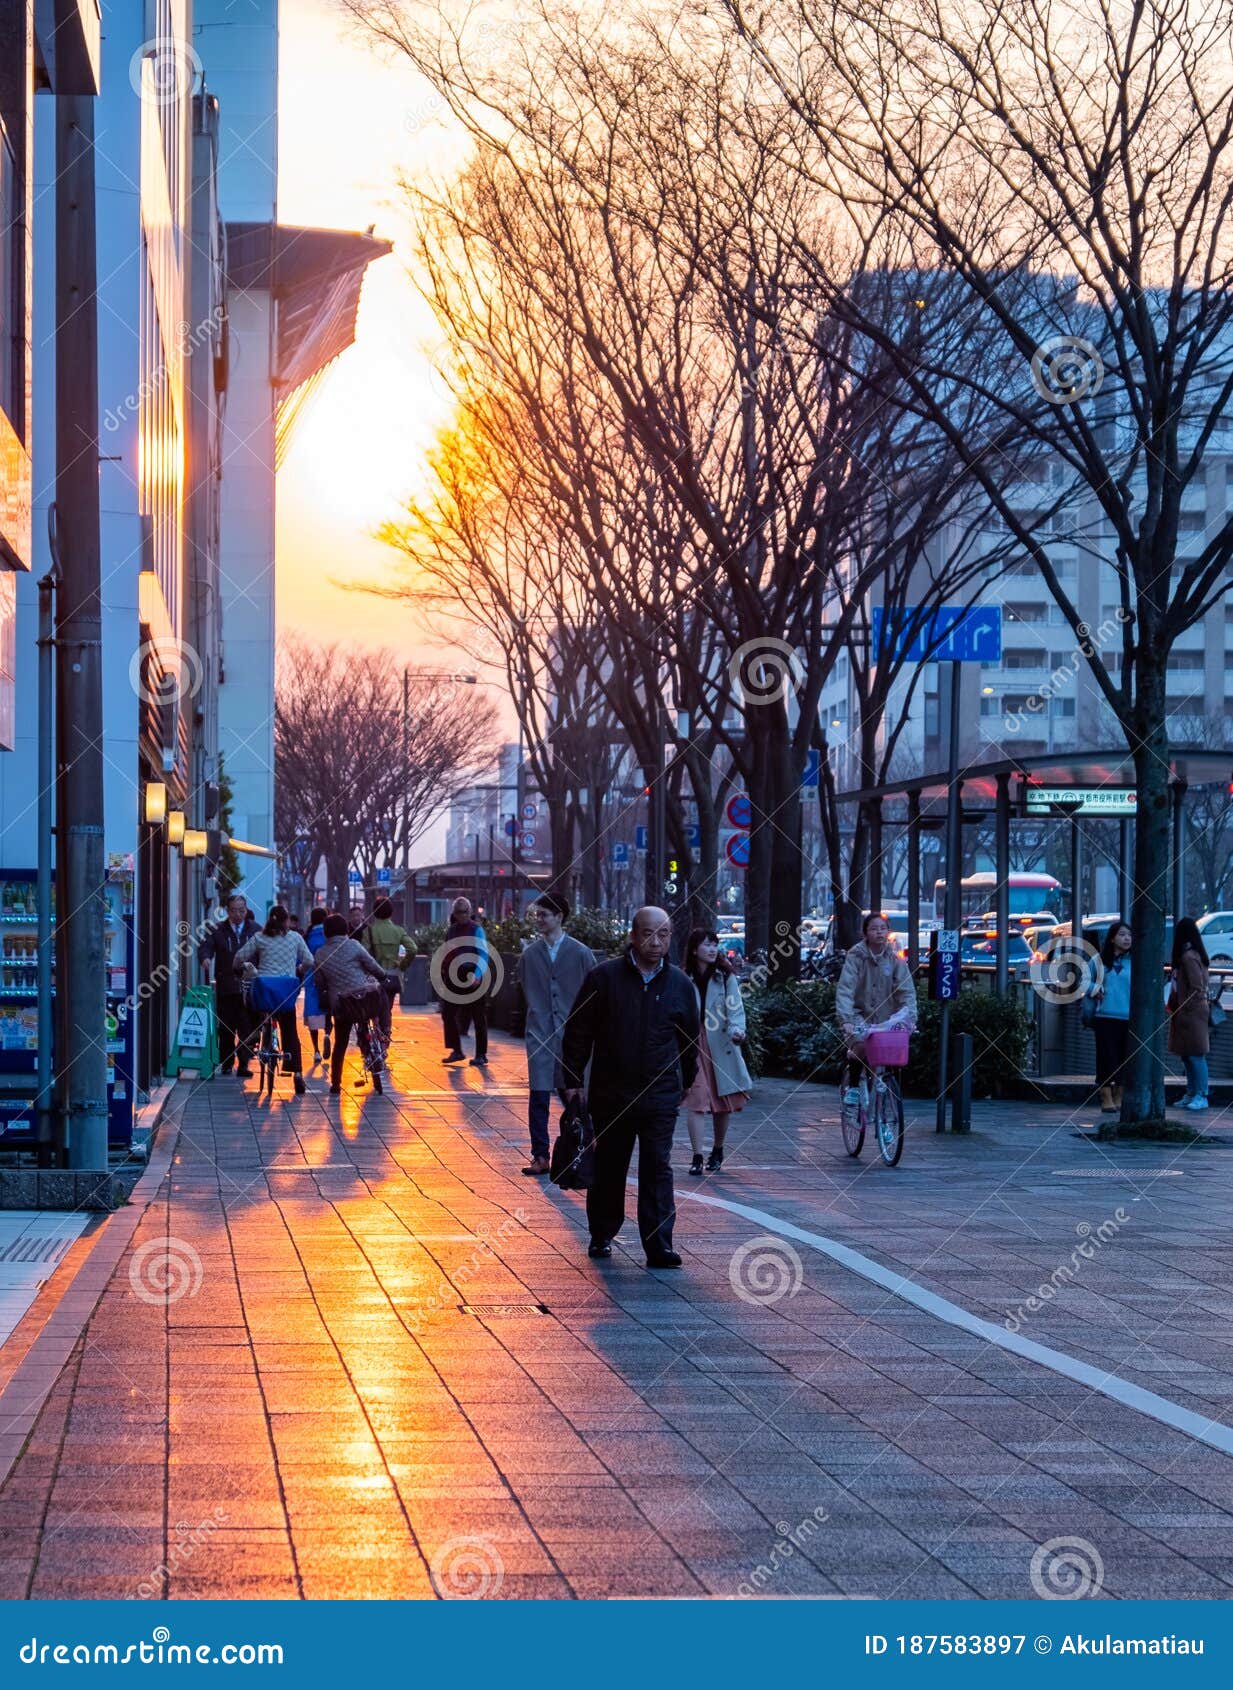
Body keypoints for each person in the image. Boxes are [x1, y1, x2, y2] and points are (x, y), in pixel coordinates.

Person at [562, 906, 700, 1270]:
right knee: (610, 1166)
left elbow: (689, 1040)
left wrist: (687, 1081)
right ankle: (602, 1233)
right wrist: (573, 1082)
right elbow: (578, 1033)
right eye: (649, 934)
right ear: (633, 936)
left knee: (658, 1168)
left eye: (664, 934)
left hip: (660, 1094)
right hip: (612, 1093)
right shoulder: (603, 979)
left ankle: (659, 1245)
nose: (657, 942)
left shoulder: (680, 985)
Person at [517, 893, 596, 1176]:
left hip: (573, 1036)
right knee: (538, 1095)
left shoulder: (581, 954)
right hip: (539, 1033)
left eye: (544, 915)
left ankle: (586, 1147)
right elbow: (525, 990)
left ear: (559, 916)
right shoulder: (529, 955)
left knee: (575, 1096)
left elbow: (593, 995)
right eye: (537, 915)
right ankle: (540, 1155)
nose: (539, 920)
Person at [682, 928, 752, 1176]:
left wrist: (737, 1030)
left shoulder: (725, 976)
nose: (712, 949)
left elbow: (736, 1007)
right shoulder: (683, 977)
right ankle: (697, 1155)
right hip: (692, 1044)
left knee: (722, 1101)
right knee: (697, 1100)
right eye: (706, 945)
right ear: (693, 949)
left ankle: (718, 1149)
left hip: (720, 1042)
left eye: (715, 944)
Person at [835, 912, 916, 1105]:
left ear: (888, 932)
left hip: (887, 1017)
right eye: (874, 928)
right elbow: (846, 988)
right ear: (865, 933)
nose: (879, 932)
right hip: (858, 1014)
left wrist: (910, 1017)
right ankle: (853, 1087)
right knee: (860, 1046)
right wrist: (845, 1019)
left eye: (883, 928)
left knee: (893, 1052)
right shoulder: (856, 957)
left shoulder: (894, 959)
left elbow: (906, 990)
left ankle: (887, 1110)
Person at [235, 906, 313, 1094]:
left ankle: (252, 1039)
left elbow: (239, 957)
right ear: (286, 921)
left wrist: (238, 969)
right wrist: (298, 970)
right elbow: (310, 961)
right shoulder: (295, 938)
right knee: (290, 1031)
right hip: (285, 993)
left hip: (264, 992)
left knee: (253, 1009)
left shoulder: (259, 938)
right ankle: (297, 1074)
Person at [309, 914, 390, 1094]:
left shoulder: (320, 953)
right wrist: (383, 975)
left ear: (326, 932)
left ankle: (336, 1084)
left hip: (341, 1005)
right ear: (346, 929)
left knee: (341, 1043)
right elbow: (372, 965)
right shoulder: (354, 945)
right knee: (379, 995)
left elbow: (320, 982)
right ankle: (384, 1030)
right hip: (363, 1000)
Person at [199, 894, 259, 1077]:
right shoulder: (218, 930)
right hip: (226, 985)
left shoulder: (256, 930)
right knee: (226, 1026)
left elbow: (265, 951)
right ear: (227, 911)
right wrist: (206, 958)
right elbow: (205, 947)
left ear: (246, 910)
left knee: (246, 1026)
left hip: (249, 987)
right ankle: (226, 1062)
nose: (238, 914)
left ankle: (243, 1064)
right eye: (233, 910)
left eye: (241, 910)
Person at [437, 897, 490, 1067]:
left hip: (472, 974)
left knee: (478, 1016)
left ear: (470, 911)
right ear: (454, 913)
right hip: (454, 976)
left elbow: (483, 953)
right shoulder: (451, 930)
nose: (463, 915)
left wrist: (477, 974)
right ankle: (456, 1050)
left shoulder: (476, 929)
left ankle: (481, 1054)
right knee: (447, 1013)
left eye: (465, 912)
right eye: (459, 912)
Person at [1087, 918, 1132, 1113]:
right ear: (1112, 938)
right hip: (1105, 1016)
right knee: (1106, 1057)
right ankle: (1105, 1096)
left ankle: (1119, 1095)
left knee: (1125, 1058)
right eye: (1122, 935)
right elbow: (1084, 982)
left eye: (1129, 935)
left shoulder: (1136, 962)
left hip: (1129, 1018)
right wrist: (1094, 989)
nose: (1127, 939)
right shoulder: (1098, 962)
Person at [1169, 917, 1211, 1112]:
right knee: (1188, 1055)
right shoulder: (1195, 955)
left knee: (1194, 1055)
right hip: (1189, 1011)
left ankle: (1200, 1094)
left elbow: (1196, 987)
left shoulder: (1187, 957)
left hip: (1190, 1011)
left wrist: (1185, 1008)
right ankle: (1193, 1092)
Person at [359, 898, 417, 1039]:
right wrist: (401, 965)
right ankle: (384, 1040)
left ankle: (369, 1040)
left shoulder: (369, 931)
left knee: (369, 1010)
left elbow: (363, 955)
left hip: (373, 980)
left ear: (374, 912)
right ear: (391, 913)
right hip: (392, 978)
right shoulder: (398, 931)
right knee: (387, 1009)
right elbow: (413, 949)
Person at [302, 907, 332, 1066]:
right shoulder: (329, 936)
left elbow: (302, 960)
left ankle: (316, 1051)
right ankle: (327, 1033)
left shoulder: (307, 937)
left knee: (313, 1014)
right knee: (328, 1009)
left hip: (312, 979)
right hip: (328, 977)